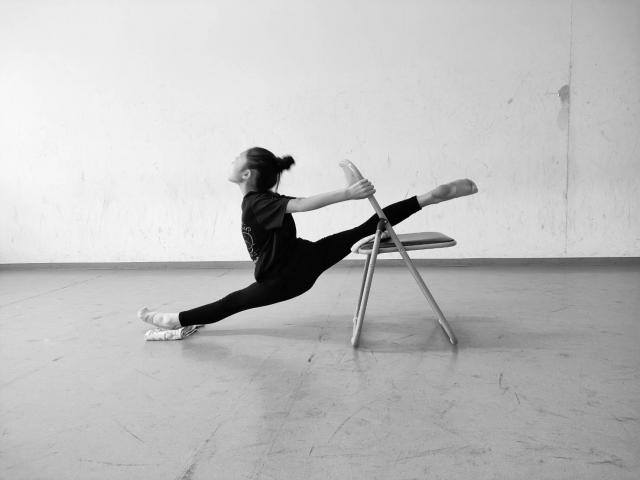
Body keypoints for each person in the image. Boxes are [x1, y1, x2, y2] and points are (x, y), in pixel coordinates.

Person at [139, 147, 478, 340]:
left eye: (236, 159)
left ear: (246, 174)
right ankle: (427, 197)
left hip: (284, 276)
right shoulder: (266, 198)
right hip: (306, 258)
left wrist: (347, 193)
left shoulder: (258, 201)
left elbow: (302, 205)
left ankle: (175, 320)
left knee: (232, 302)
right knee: (367, 227)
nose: (231, 161)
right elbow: (297, 204)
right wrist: (347, 192)